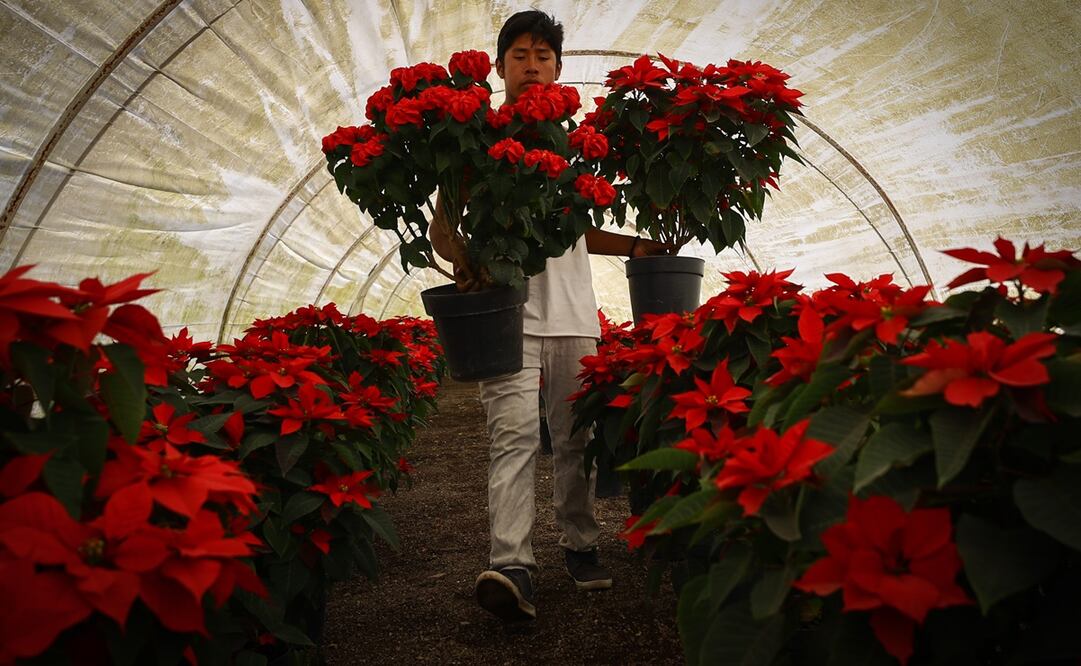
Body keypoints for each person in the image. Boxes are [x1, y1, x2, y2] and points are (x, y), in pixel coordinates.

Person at [430, 9, 671, 622]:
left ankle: (582, 544)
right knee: (510, 436)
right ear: (499, 66)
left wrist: (638, 246)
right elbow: (441, 230)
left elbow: (579, 228)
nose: (532, 65)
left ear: (560, 69)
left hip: (572, 313)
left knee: (575, 438)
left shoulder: (576, 144)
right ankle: (512, 564)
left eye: (543, 55)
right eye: (519, 55)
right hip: (502, 311)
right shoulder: (471, 139)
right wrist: (468, 263)